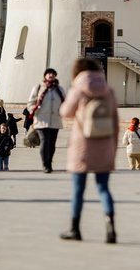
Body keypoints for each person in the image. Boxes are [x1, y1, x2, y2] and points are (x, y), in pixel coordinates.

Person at [58, 58, 119, 243]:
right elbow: (116, 121)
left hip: (82, 146)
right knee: (103, 188)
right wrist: (113, 148)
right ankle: (111, 229)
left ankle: (75, 229)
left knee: (78, 191)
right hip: (104, 144)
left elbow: (65, 112)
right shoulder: (108, 91)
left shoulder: (78, 89)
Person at [27, 68, 66, 173]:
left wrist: (63, 111)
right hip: (41, 120)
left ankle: (49, 162)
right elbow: (30, 102)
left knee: (52, 143)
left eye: (53, 74)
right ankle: (45, 164)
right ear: (45, 76)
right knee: (45, 141)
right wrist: (34, 112)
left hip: (55, 120)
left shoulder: (59, 89)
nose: (51, 75)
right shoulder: (39, 87)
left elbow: (65, 102)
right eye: (49, 73)